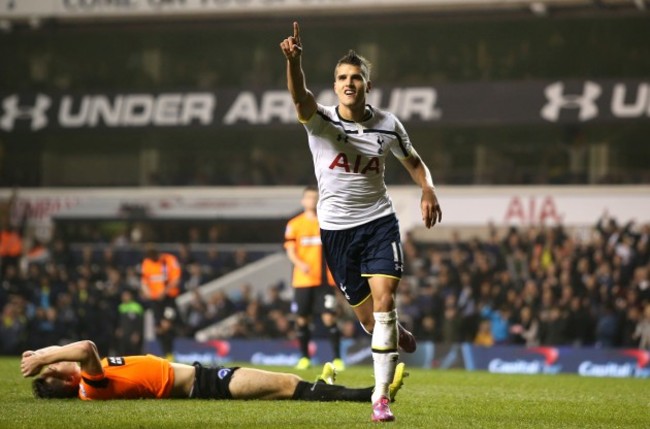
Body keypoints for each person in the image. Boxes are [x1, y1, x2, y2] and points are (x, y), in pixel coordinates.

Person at [280, 22, 442, 422]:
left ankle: (380, 397)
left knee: (384, 306)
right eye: (342, 78)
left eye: (356, 77)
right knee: (370, 320)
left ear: (367, 85)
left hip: (378, 222)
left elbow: (415, 162)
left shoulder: (388, 124)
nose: (349, 83)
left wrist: (427, 189)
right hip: (337, 233)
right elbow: (300, 97)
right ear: (334, 87)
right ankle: (392, 332)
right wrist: (295, 62)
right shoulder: (321, 123)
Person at [20, 340, 406, 404]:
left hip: (204, 375)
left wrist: (43, 356)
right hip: (205, 385)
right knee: (288, 386)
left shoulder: (90, 379)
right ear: (67, 381)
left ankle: (332, 386)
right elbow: (84, 348)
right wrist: (41, 359)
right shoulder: (90, 386)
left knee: (289, 384)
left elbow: (80, 352)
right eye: (56, 368)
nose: (59, 361)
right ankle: (372, 393)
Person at [285, 185, 344, 371]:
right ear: (303, 201)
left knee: (329, 318)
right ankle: (304, 358)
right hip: (303, 280)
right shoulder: (295, 224)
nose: (312, 200)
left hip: (325, 280)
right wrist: (300, 264)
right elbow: (290, 250)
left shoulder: (328, 222)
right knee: (302, 319)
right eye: (309, 197)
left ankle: (337, 359)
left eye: (315, 197)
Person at [140, 245, 182, 360]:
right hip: (155, 301)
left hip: (169, 299)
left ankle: (170, 353)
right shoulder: (146, 262)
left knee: (167, 325)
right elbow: (144, 281)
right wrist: (147, 292)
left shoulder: (169, 260)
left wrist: (165, 291)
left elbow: (176, 279)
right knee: (158, 329)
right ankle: (167, 354)